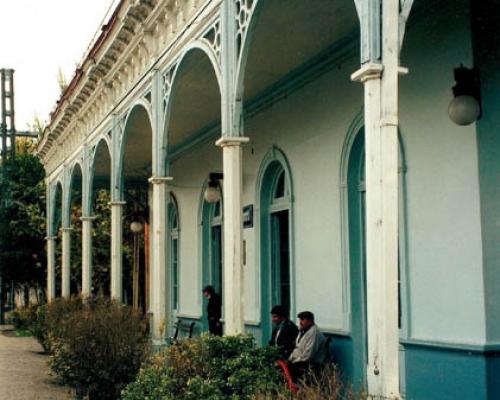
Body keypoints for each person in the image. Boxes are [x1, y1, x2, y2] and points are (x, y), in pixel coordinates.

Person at [288, 311, 326, 382]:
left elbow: (308, 355)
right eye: (300, 320)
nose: (300, 322)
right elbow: (298, 347)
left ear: (310, 321)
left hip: (311, 364)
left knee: (293, 369)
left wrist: (294, 361)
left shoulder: (314, 333)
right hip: (299, 360)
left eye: (302, 320)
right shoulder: (303, 330)